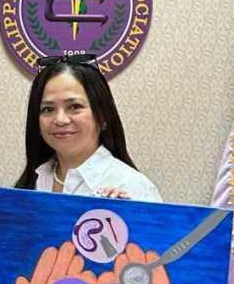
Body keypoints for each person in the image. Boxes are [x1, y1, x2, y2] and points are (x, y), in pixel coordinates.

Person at [15, 57, 161, 201]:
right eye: (48, 109)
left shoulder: (132, 188)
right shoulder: (32, 182)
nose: (60, 120)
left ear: (102, 115)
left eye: (74, 106)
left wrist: (123, 213)